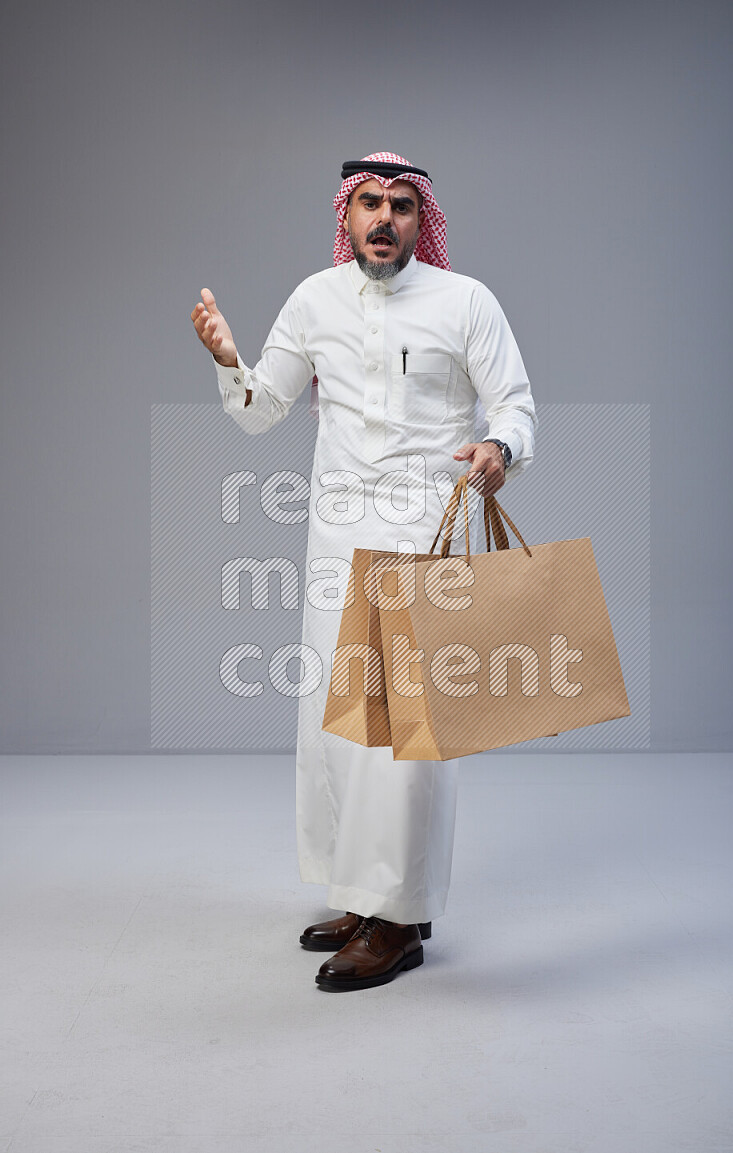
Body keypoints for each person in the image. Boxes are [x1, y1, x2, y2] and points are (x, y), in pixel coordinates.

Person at [190, 152, 537, 992]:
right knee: (340, 721)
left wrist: (498, 450)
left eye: (403, 205)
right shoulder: (314, 299)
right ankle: (366, 895)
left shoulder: (466, 302)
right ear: (348, 216)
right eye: (370, 203)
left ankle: (401, 921)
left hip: (425, 530)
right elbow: (260, 409)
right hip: (336, 535)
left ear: (424, 220)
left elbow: (517, 407)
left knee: (410, 736)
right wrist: (226, 358)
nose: (384, 217)